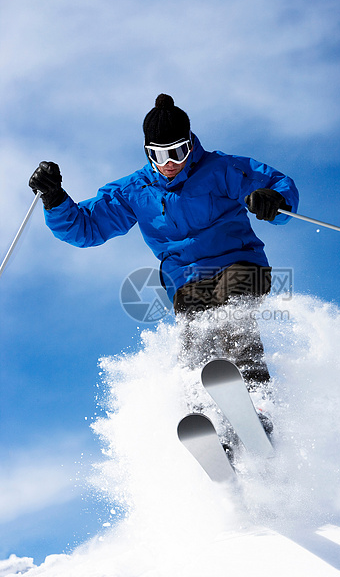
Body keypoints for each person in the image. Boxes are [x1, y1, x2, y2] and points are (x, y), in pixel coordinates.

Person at [29, 94, 299, 389]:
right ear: (147, 153)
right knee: (197, 334)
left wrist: (274, 201)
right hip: (186, 279)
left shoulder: (222, 169)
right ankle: (203, 406)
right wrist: (54, 199)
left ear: (191, 145)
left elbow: (277, 186)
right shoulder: (133, 190)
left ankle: (256, 395)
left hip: (241, 263)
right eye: (159, 155)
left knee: (232, 310)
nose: (170, 163)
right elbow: (86, 228)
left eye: (178, 152)